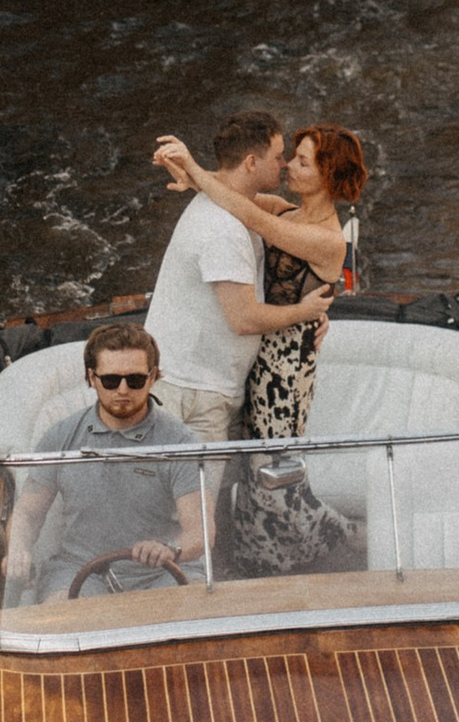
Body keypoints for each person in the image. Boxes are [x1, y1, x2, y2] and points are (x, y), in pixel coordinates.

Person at [151, 122, 368, 577]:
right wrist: (195, 177)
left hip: (286, 368)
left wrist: (193, 166)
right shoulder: (285, 212)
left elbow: (247, 216)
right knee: (253, 472)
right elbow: (238, 198)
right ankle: (247, 557)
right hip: (257, 359)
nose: (288, 163)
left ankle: (336, 543)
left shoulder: (327, 238)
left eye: (302, 161)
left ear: (327, 176)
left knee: (272, 475)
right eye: (287, 155)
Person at [142, 108, 336, 446]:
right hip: (196, 388)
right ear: (250, 162)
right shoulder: (225, 228)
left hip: (220, 382)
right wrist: (303, 314)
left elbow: (247, 208)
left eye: (298, 161)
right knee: (197, 496)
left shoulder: (241, 208)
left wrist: (195, 174)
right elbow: (244, 319)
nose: (284, 164)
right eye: (278, 156)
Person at [11, 327, 205, 603]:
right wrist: (18, 550)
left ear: (152, 377)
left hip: (162, 572)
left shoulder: (181, 441)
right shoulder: (61, 436)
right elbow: (28, 513)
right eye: (111, 380)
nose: (123, 390)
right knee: (61, 620)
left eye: (135, 380)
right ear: (92, 378)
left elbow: (200, 531)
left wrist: (169, 549)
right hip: (80, 570)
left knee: (197, 615)